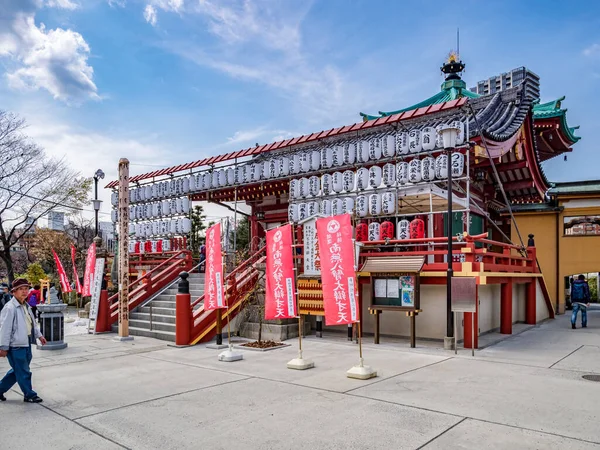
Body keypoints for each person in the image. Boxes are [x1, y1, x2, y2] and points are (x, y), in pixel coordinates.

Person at [0, 278, 47, 403]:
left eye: (26, 289)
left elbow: (31, 324)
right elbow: (4, 329)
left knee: (18, 371)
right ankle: (29, 394)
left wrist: (39, 336)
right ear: (13, 292)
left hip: (26, 343)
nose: (24, 291)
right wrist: (3, 347)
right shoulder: (10, 308)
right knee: (24, 371)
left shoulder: (26, 306)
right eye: (21, 289)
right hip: (15, 345)